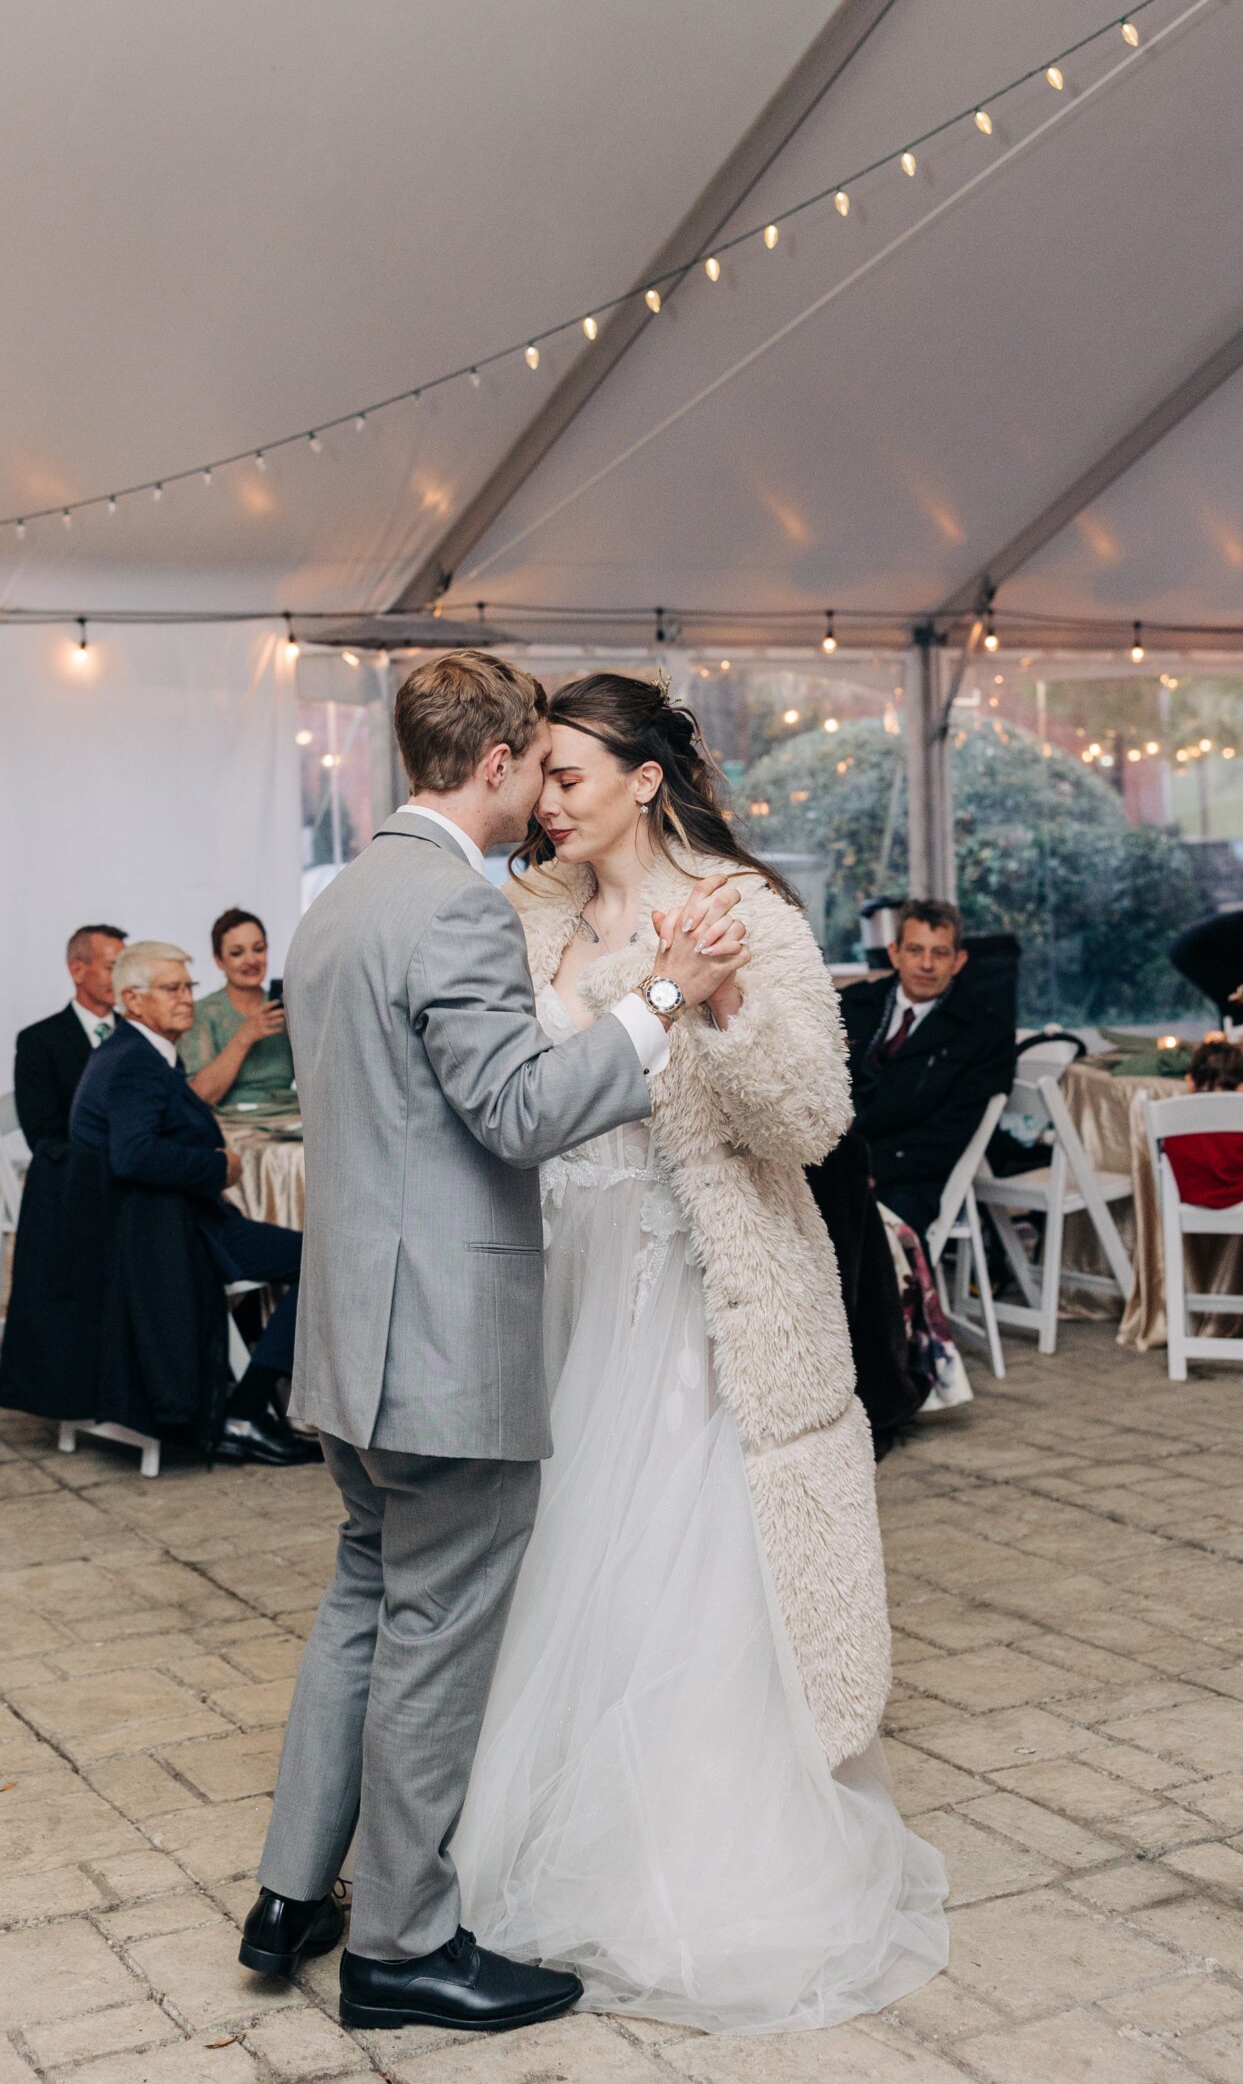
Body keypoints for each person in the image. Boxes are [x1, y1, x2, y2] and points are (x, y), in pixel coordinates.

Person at [240, 650, 751, 2035]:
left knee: (363, 1594)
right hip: (443, 1348)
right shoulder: (454, 914)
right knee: (432, 1631)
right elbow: (514, 1115)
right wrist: (655, 1001)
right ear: (489, 764)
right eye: (531, 760)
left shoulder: (337, 902)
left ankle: (292, 1891)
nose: (539, 785)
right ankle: (401, 1947)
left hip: (350, 1336)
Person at [449, 673, 946, 2028]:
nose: (541, 801)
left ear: (640, 778)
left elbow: (809, 1117)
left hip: (691, 1284)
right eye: (536, 776)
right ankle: (539, 1838)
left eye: (563, 775)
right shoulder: (526, 916)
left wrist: (715, 1009)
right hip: (556, 1274)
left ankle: (692, 1868)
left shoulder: (741, 910)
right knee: (552, 1556)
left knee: (679, 1553)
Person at [69, 940, 321, 1468]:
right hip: (169, 1239)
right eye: (172, 989)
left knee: (319, 1257)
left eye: (187, 987)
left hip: (176, 1225)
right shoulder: (134, 1063)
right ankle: (247, 1408)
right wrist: (218, 1166)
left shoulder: (138, 1051)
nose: (187, 999)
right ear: (133, 1001)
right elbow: (133, 1157)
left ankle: (250, 1405)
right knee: (324, 1260)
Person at [841, 899, 1016, 1241]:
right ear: (895, 954)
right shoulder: (853, 1006)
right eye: (915, 950)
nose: (926, 964)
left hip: (911, 1175)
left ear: (958, 960)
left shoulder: (984, 1034)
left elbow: (952, 1131)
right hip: (835, 1156)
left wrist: (873, 1168)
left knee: (862, 1239)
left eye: (940, 953)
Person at [13, 924, 125, 1151]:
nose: (122, 979)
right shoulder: (39, 1041)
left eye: (127, 969)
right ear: (78, 971)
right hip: (78, 1172)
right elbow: (43, 1136)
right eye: (112, 967)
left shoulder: (137, 1033)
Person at [184, 908, 297, 1111]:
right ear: (219, 960)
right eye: (237, 953)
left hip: (289, 1115)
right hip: (230, 1122)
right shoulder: (203, 1013)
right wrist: (245, 1037)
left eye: (258, 949)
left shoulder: (285, 1008)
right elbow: (200, 1096)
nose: (251, 960)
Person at [1164, 1036, 1243, 1211]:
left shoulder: (1170, 1117)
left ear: (1190, 1082)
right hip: (1238, 1197)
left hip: (1190, 1198)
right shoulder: (1238, 1117)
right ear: (1241, 1086)